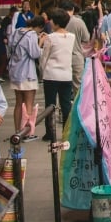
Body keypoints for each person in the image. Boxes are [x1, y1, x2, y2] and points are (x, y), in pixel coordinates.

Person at [39, 8, 77, 140]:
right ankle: (67, 133)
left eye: (51, 21)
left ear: (55, 22)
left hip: (51, 74)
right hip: (66, 74)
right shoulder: (71, 37)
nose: (49, 23)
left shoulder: (50, 37)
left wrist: (42, 70)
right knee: (66, 105)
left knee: (50, 105)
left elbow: (44, 57)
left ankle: (50, 133)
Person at [7, 15, 43, 139]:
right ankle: (26, 132)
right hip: (27, 72)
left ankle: (18, 130)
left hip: (15, 71)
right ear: (39, 27)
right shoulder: (32, 35)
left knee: (18, 103)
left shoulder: (17, 31)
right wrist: (41, 42)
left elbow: (9, 49)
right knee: (28, 103)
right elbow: (35, 53)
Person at [60, 0, 91, 94]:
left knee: (63, 86)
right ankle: (79, 107)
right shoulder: (79, 22)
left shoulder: (57, 21)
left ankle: (64, 107)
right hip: (76, 57)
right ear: (73, 9)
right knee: (78, 86)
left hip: (61, 57)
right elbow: (86, 38)